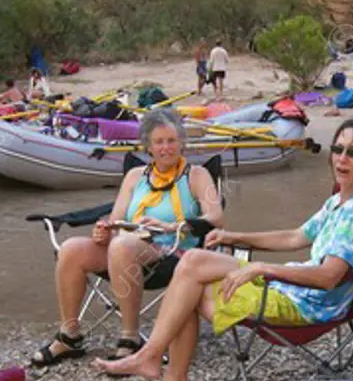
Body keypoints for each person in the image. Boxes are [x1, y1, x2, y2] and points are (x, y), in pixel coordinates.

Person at [92, 118, 353, 381]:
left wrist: (263, 267)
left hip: (306, 304)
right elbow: (296, 237)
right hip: (294, 287)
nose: (341, 159)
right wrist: (232, 237)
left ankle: (166, 377)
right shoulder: (341, 201)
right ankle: (155, 362)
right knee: (192, 261)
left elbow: (328, 277)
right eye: (338, 149)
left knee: (186, 289)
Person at [31, 109, 224, 366]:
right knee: (71, 249)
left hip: (174, 254)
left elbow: (216, 218)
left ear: (182, 143)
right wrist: (103, 229)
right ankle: (69, 335)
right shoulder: (135, 176)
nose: (166, 147)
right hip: (127, 247)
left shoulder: (197, 175)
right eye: (159, 142)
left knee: (122, 246)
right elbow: (116, 218)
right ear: (148, 146)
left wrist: (169, 226)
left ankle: (130, 336)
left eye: (172, 140)